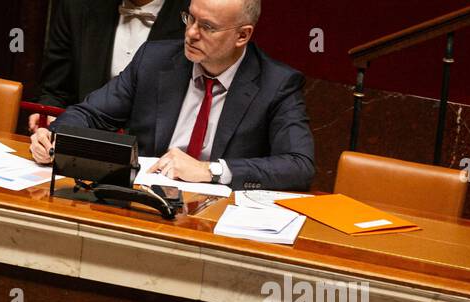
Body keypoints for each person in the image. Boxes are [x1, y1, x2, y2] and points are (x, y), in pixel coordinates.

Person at [30, 0, 315, 192]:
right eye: (190, 18)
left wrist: (210, 171)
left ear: (242, 35)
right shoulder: (154, 60)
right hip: (144, 200)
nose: (191, 33)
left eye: (207, 27)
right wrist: (56, 136)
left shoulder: (276, 84)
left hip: (218, 218)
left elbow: (298, 166)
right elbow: (91, 113)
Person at [32, 0, 189, 118]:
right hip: (82, 135)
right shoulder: (77, 6)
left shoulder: (194, 18)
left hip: (152, 152)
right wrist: (47, 117)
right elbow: (55, 91)